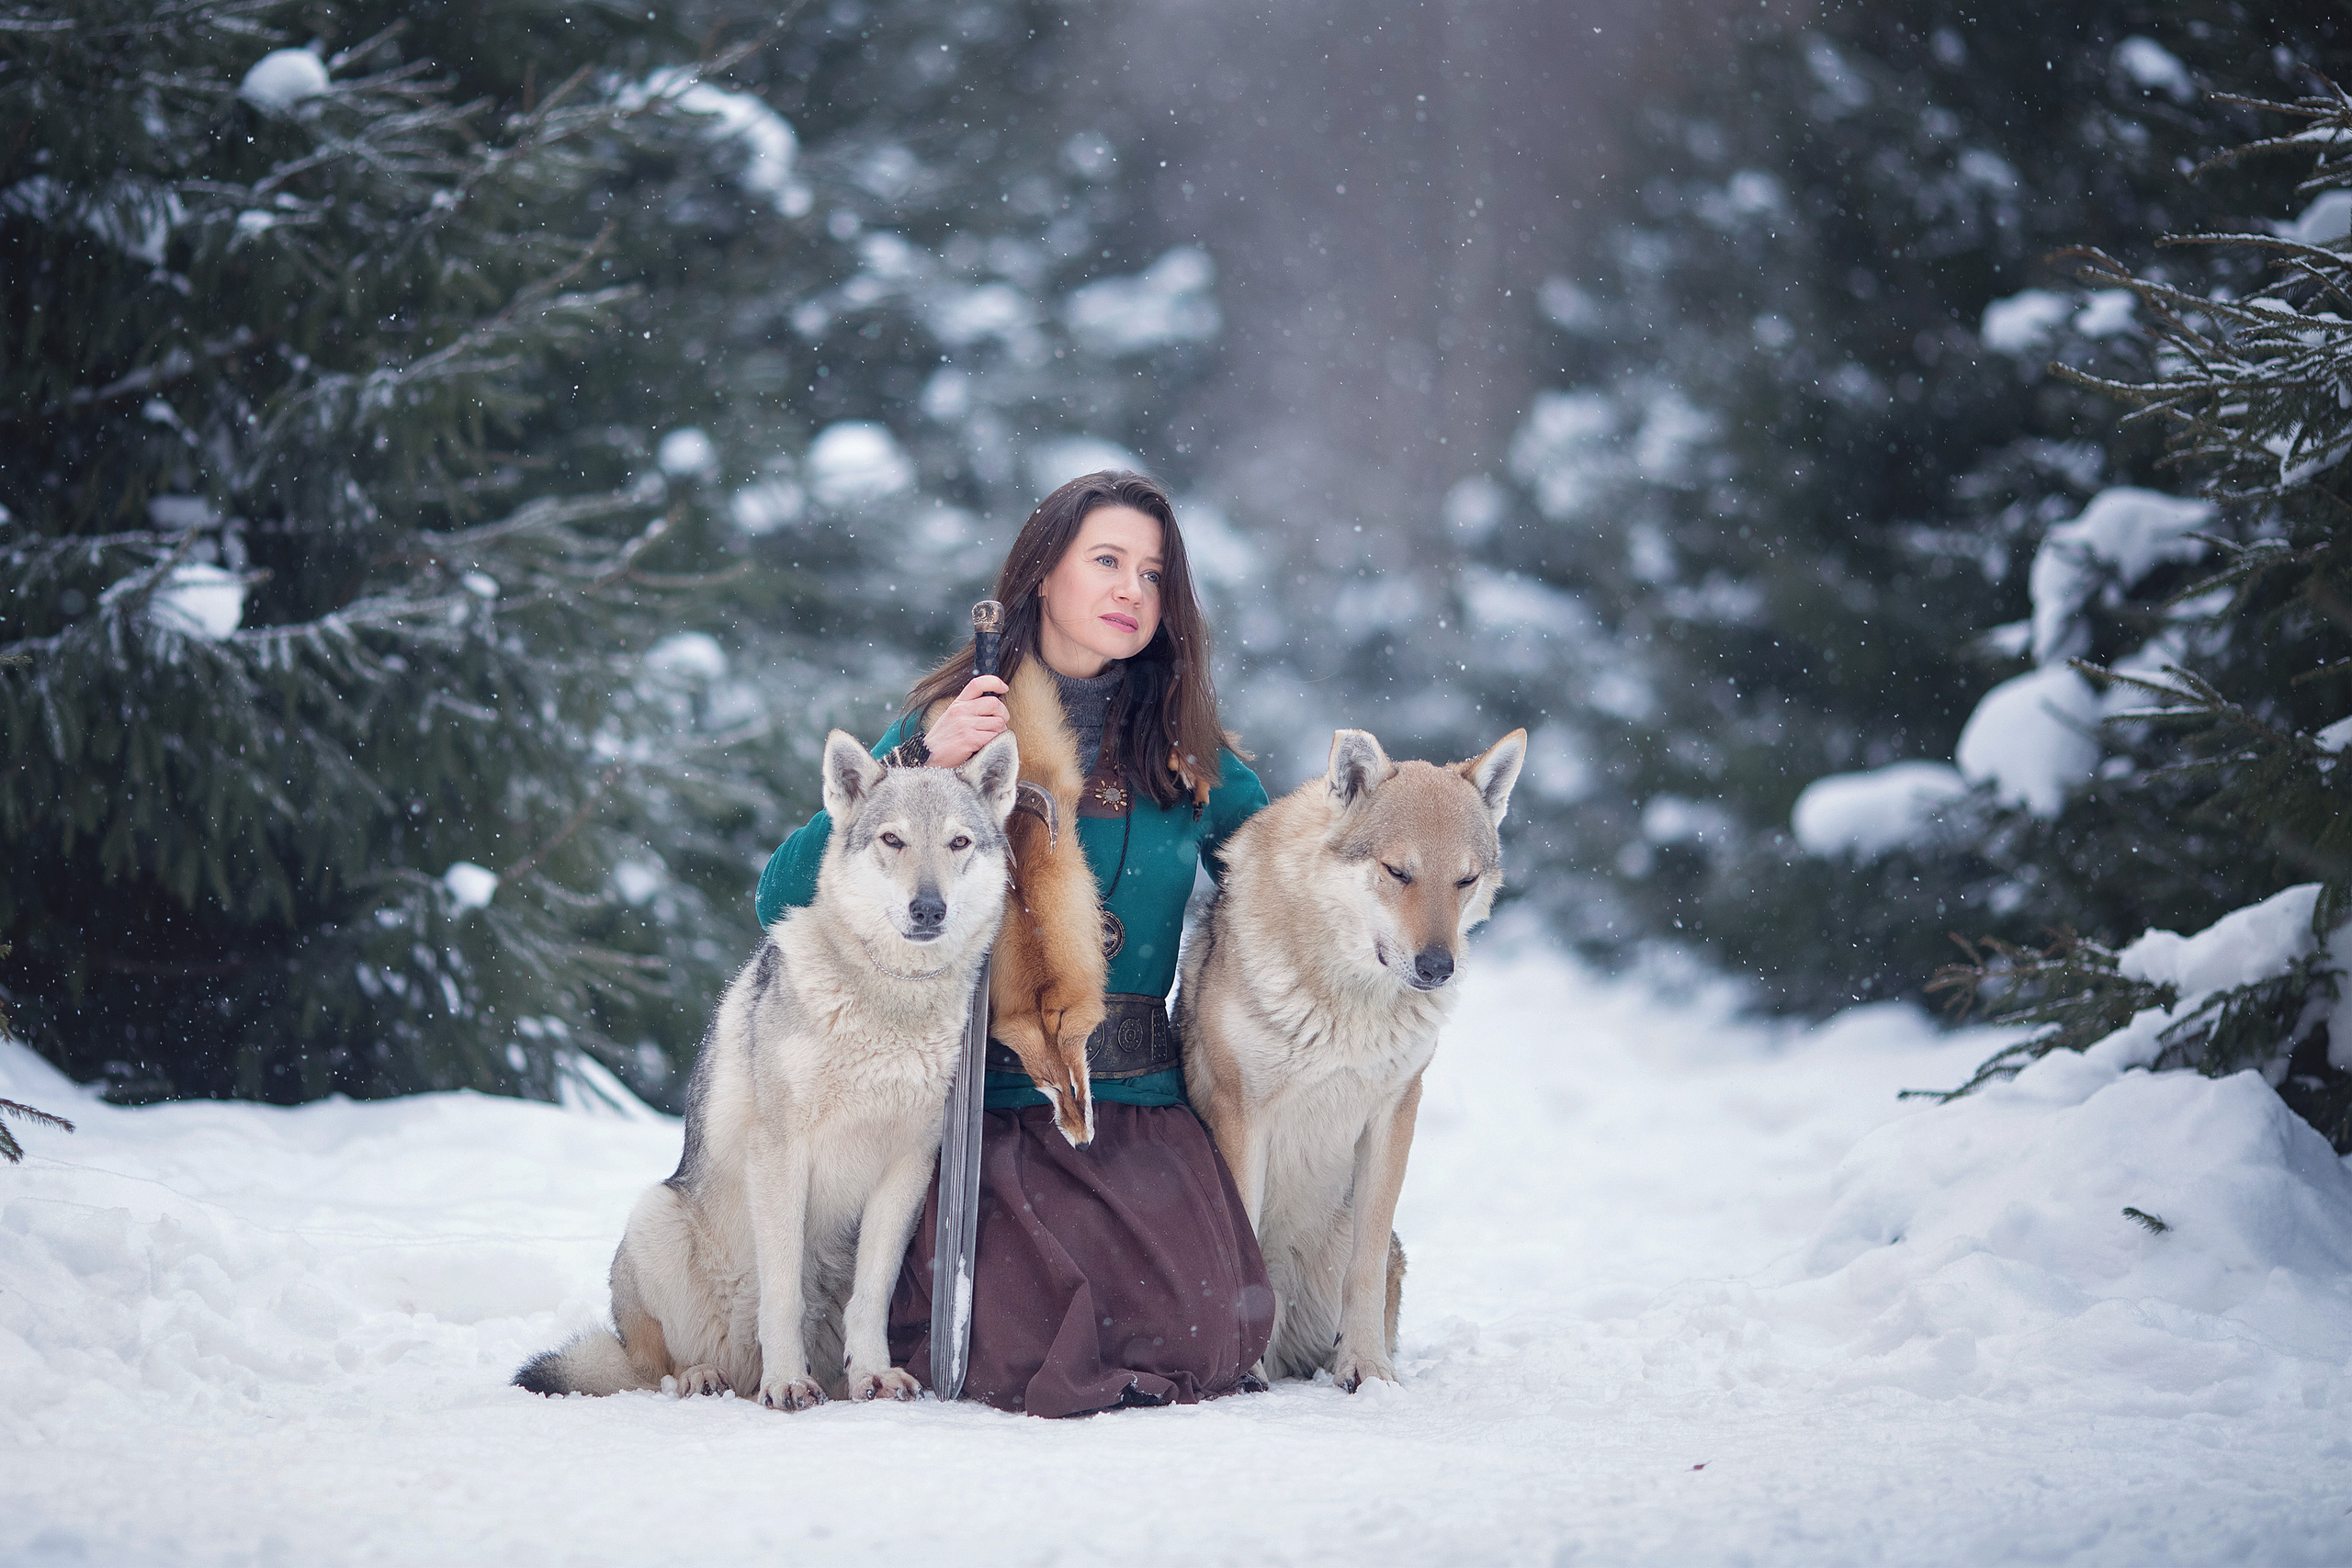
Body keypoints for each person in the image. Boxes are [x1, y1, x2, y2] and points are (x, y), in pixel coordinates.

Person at [753, 469, 1275, 1416]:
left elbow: (1284, 872)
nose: (1131, 592)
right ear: (1041, 577)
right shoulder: (948, 728)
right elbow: (781, 895)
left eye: (1153, 575)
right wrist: (928, 759)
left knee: (1203, 1338)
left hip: (1141, 1118)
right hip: (983, 1124)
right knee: (1008, 1349)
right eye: (1106, 562)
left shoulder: (1184, 749)